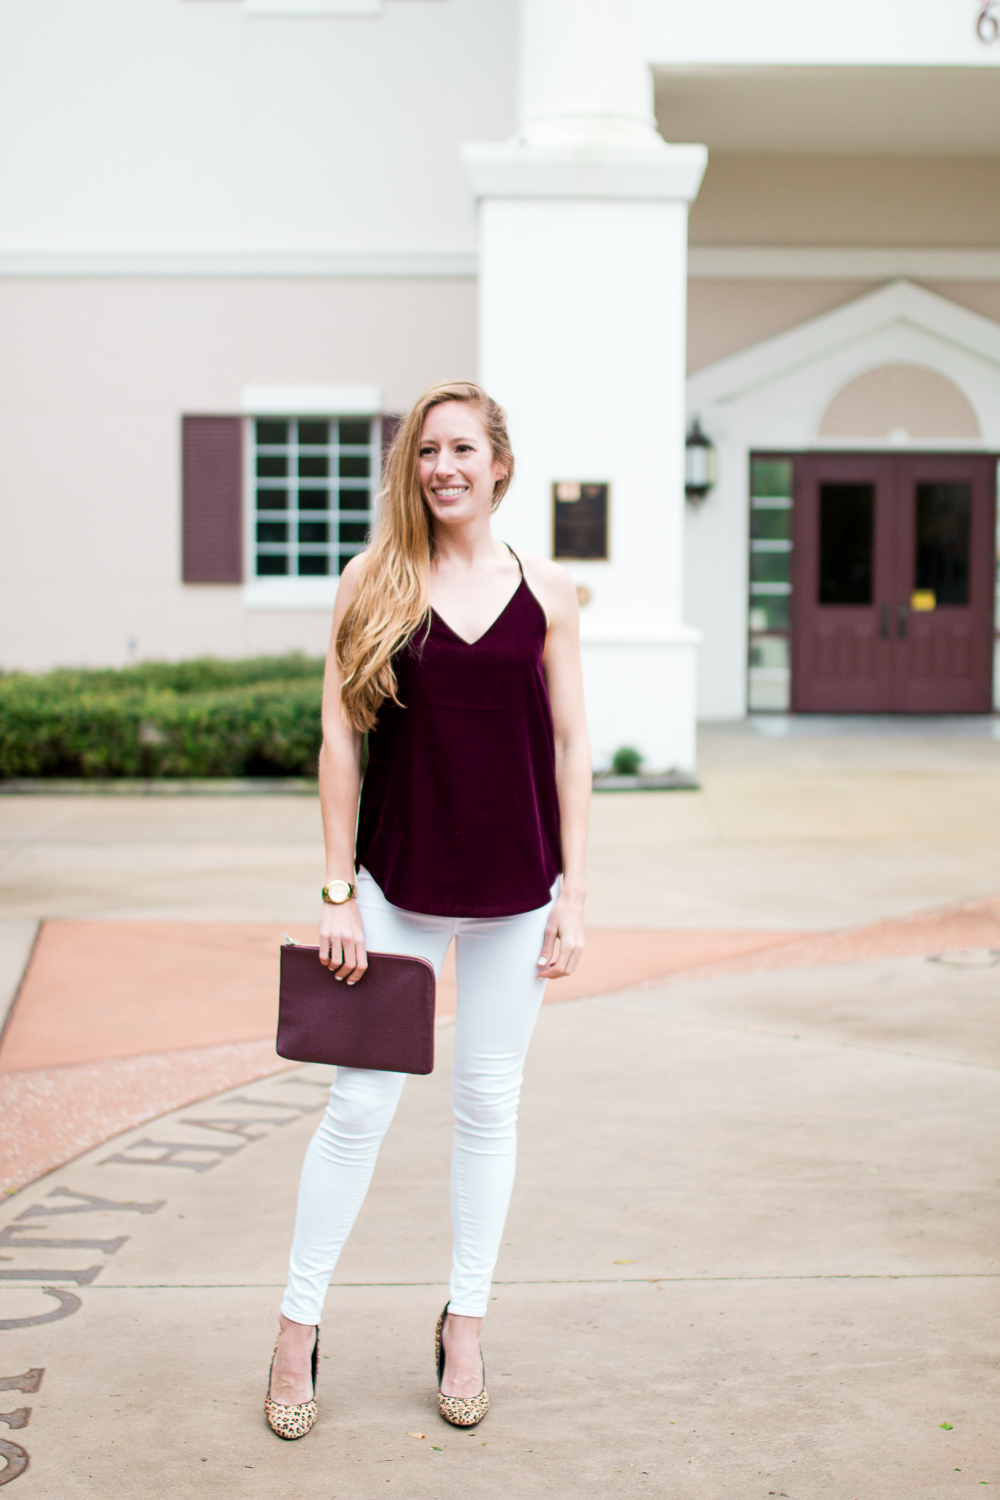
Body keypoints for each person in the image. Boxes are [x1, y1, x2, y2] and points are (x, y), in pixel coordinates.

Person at [264, 380, 591, 1438]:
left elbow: (573, 746)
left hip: (514, 892)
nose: (443, 466)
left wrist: (573, 895)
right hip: (394, 888)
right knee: (357, 1111)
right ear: (410, 468)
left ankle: (465, 1320)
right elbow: (338, 742)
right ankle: (295, 1327)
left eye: (462, 448)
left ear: (499, 463)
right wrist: (336, 891)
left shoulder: (548, 588)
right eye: (425, 451)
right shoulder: (373, 578)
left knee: (488, 1109)